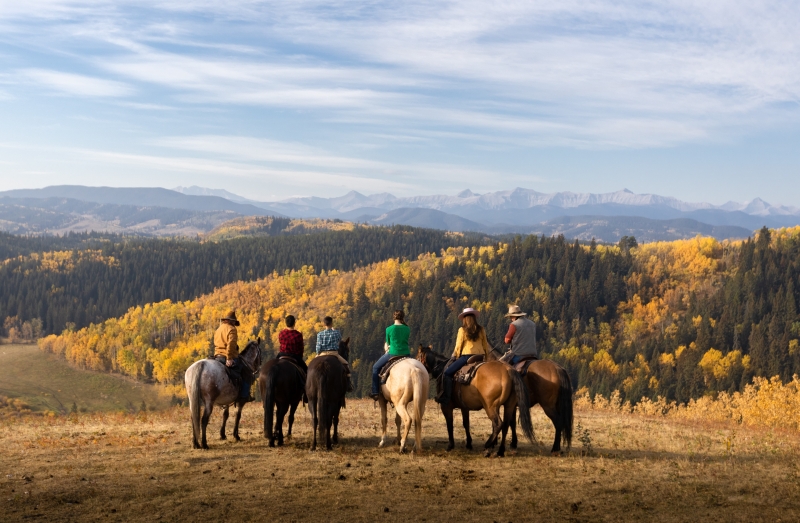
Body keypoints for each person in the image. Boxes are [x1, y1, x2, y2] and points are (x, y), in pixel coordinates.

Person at [436, 307, 491, 406]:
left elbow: (458, 345)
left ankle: (447, 397)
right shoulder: (481, 329)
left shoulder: (462, 330)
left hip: (467, 356)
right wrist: (486, 357)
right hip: (480, 356)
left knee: (447, 373)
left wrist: (455, 356)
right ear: (474, 318)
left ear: (465, 319)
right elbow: (485, 344)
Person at [213, 310, 254, 403]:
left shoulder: (218, 329)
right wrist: (229, 358)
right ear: (231, 321)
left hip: (217, 356)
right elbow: (231, 344)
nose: (235, 324)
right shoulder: (232, 329)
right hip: (226, 356)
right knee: (247, 372)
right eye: (234, 322)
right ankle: (244, 396)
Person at [370, 310, 410, 401]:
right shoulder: (407, 328)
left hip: (393, 353)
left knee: (375, 368)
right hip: (406, 354)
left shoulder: (389, 329)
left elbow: (388, 344)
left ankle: (375, 391)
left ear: (393, 317)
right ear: (403, 317)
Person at [315, 316, 354, 392]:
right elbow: (340, 341)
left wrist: (317, 354)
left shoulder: (320, 334)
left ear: (324, 324)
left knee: (310, 366)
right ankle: (349, 385)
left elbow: (318, 347)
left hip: (322, 354)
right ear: (331, 323)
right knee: (346, 365)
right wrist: (334, 330)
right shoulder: (336, 333)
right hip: (334, 353)